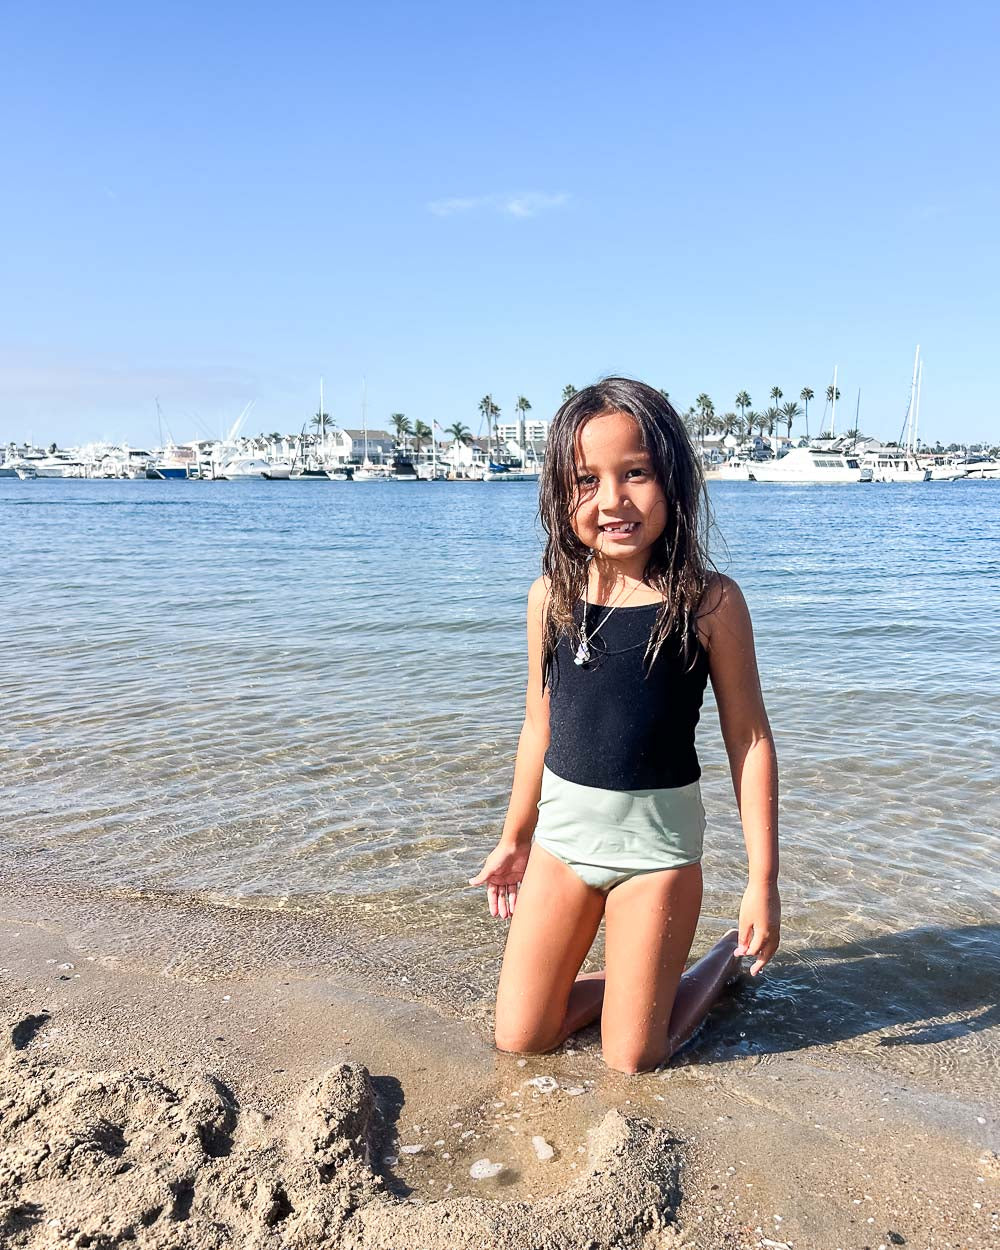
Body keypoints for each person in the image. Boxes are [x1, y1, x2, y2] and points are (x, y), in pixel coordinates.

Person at [469, 377, 780, 1074]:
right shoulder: (549, 597)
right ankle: (641, 989)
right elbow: (536, 726)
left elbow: (750, 740)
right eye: (587, 480)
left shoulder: (709, 603)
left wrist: (763, 878)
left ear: (672, 479)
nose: (612, 500)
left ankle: (720, 964)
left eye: (635, 473)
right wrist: (515, 837)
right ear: (560, 493)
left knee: (634, 1057)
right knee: (520, 1037)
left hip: (657, 855)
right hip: (562, 846)